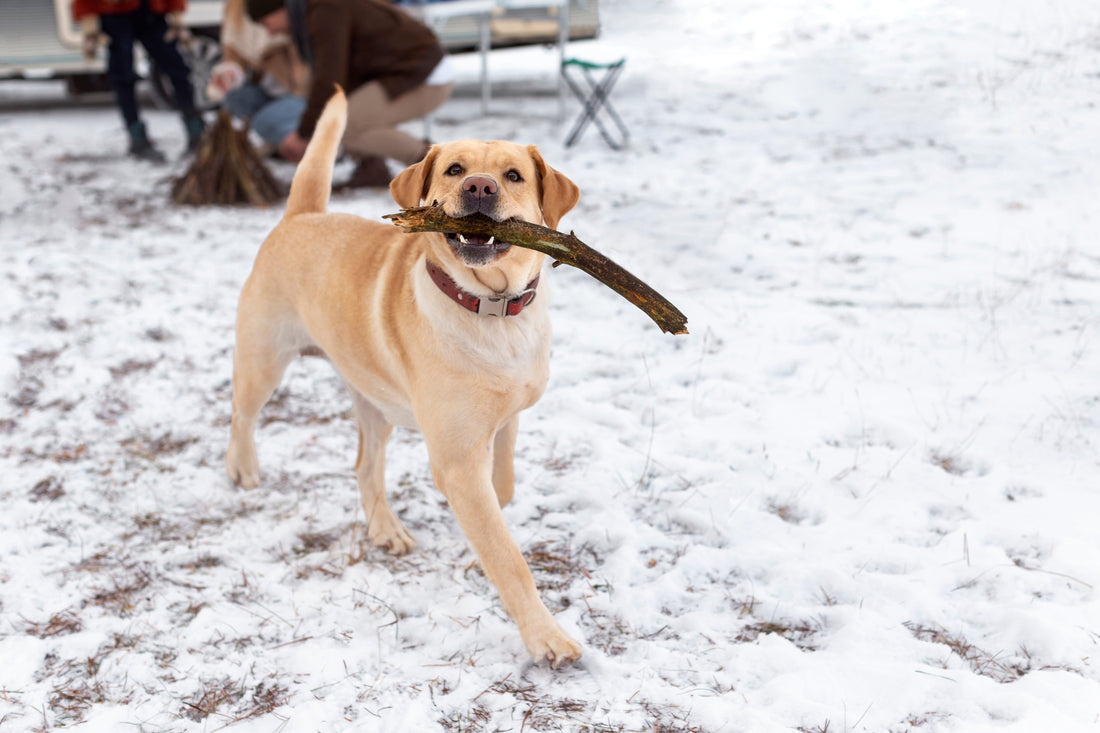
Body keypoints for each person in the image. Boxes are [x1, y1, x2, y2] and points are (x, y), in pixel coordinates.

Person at [244, 0, 454, 188]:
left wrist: (304, 134)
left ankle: (436, 165)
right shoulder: (313, 11)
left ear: (278, 8)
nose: (269, 31)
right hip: (403, 75)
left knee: (341, 124)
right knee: (343, 117)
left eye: (265, 22)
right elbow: (339, 78)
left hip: (423, 77)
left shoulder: (325, 10)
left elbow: (330, 79)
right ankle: (371, 166)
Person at [74, 0, 206, 162]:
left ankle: (195, 128)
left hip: (151, 9)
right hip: (115, 13)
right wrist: (89, 23)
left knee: (177, 68)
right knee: (123, 75)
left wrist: (176, 13)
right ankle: (137, 137)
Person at [206, 0, 309, 158]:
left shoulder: (286, 10)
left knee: (263, 122)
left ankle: (313, 142)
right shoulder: (235, 9)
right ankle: (280, 139)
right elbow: (234, 57)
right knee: (236, 99)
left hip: (302, 91)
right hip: (269, 89)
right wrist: (230, 75)